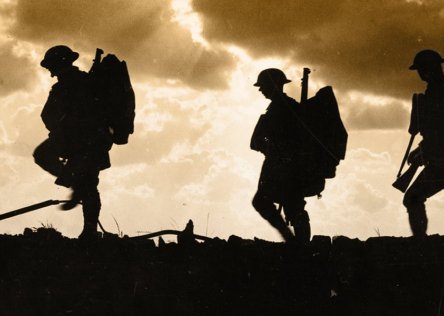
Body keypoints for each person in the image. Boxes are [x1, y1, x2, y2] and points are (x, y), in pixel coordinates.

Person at [33, 45, 113, 240]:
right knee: (89, 185)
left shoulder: (66, 85)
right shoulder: (88, 81)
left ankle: (74, 183)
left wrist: (60, 133)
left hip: (78, 141)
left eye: (50, 66)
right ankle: (90, 230)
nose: (49, 71)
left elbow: (47, 115)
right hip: (95, 142)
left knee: (42, 155)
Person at [250, 68, 325, 244]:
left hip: (285, 168)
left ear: (272, 85)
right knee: (292, 206)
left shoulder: (281, 109)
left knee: (271, 203)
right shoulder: (286, 107)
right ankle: (296, 243)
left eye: (263, 86)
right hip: (287, 167)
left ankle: (293, 242)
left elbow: (288, 139)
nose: (261, 90)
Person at [403, 49, 444, 237]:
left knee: (413, 198)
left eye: (420, 69)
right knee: (413, 198)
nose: (419, 73)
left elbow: (438, 132)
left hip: (440, 162)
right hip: (436, 159)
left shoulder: (437, 93)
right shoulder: (434, 92)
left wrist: (422, 151)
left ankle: (421, 244)